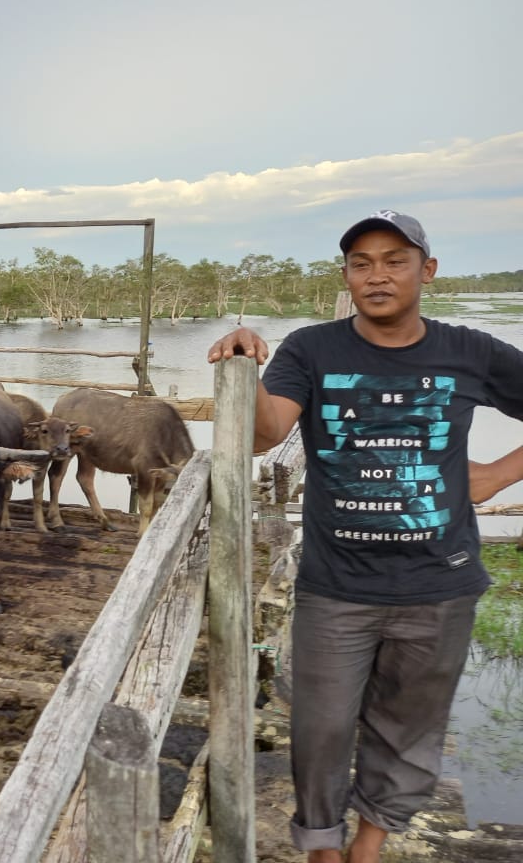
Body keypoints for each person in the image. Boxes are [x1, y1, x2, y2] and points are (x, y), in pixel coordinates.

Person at [207, 210, 523, 863]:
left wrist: (497, 474)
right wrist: (244, 367)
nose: (377, 275)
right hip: (337, 585)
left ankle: (369, 844)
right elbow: (267, 432)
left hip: (441, 583)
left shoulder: (471, 351)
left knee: (409, 726)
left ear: (426, 271)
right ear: (346, 276)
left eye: (394, 260)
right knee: (319, 728)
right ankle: (324, 847)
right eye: (361, 263)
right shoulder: (313, 350)